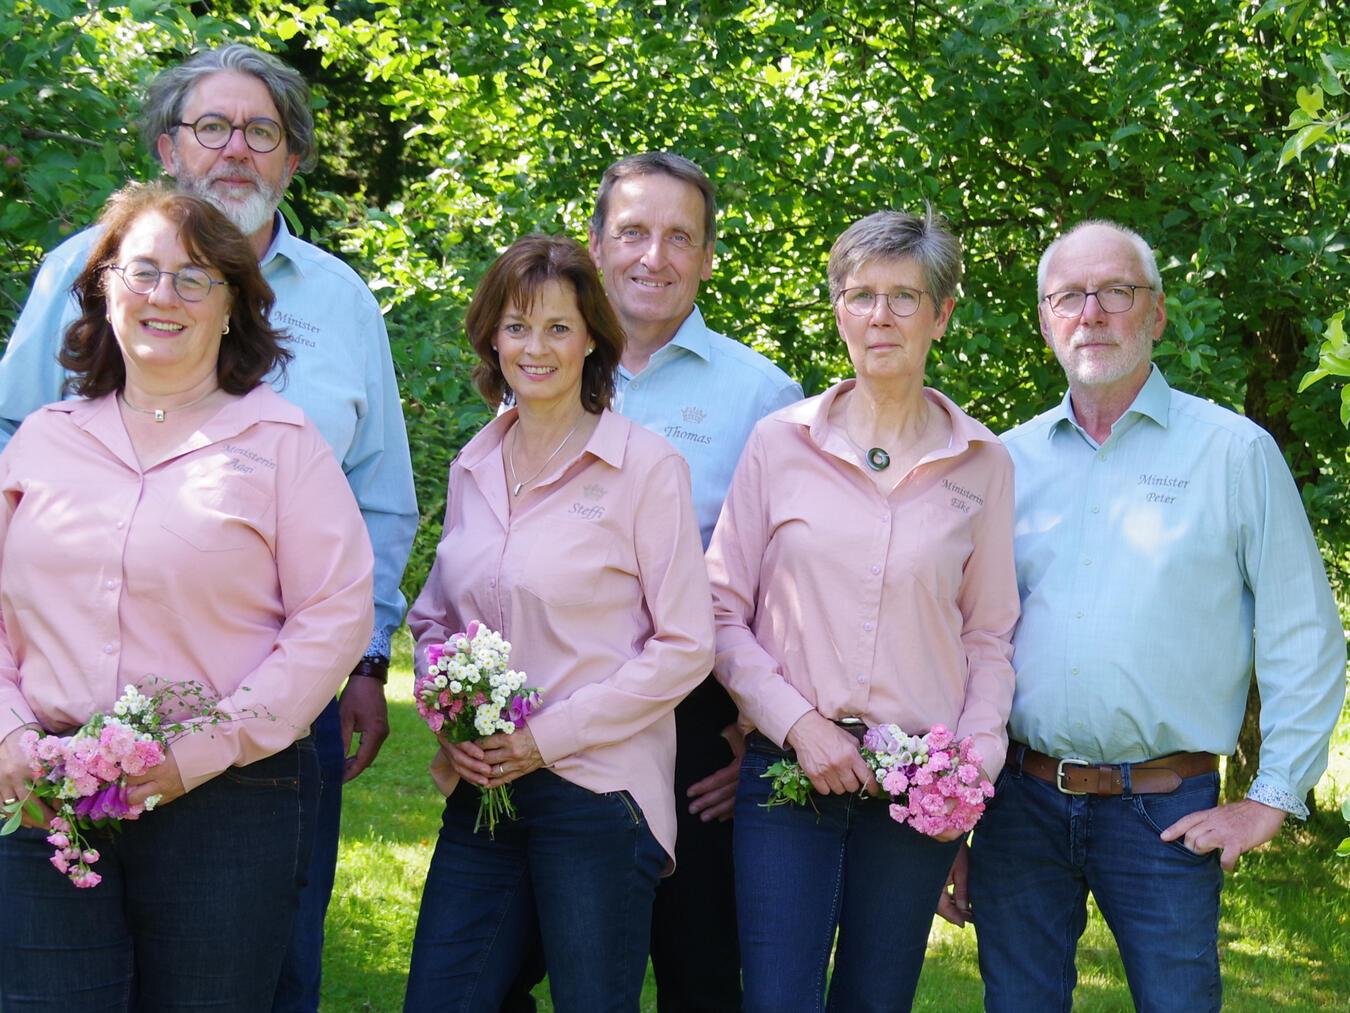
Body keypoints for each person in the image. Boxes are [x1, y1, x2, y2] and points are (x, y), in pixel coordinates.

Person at [0, 44, 417, 1011]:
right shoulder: (79, 281)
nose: (236, 150)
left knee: (263, 975)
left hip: (253, 736)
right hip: (54, 751)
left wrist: (367, 658)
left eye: (261, 131)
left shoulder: (334, 316)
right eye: (213, 127)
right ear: (166, 144)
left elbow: (379, 495)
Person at [953, 220, 1346, 1013]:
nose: (1091, 312)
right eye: (1068, 296)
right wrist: (954, 807)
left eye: (1116, 292)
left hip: (1166, 807)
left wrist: (1272, 797)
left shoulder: (1234, 454)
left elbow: (1303, 634)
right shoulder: (1003, 461)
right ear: (1044, 321)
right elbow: (964, 639)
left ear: (1157, 315)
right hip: (1020, 803)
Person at [706, 208, 1019, 1012]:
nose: (880, 316)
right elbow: (718, 610)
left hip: (919, 780)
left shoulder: (982, 463)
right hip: (789, 765)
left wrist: (973, 762)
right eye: (860, 295)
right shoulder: (780, 442)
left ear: (942, 314)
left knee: (877, 999)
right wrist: (797, 724)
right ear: (839, 310)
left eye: (904, 297)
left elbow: (987, 635)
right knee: (778, 998)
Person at [402, 234, 714, 1013]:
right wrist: (452, 721)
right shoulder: (474, 463)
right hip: (486, 788)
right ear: (491, 338)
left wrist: (545, 737)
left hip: (598, 792)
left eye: (557, 327)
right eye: (516, 326)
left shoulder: (645, 468)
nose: (534, 347)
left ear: (591, 341)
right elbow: (437, 618)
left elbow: (687, 645)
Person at [590, 152, 802, 1013]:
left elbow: (793, 583)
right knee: (527, 956)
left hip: (700, 729)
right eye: (634, 231)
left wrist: (756, 732)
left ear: (709, 257)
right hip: (557, 706)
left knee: (702, 971)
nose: (655, 256)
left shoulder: (761, 396)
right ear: (597, 243)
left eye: (681, 237)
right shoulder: (543, 368)